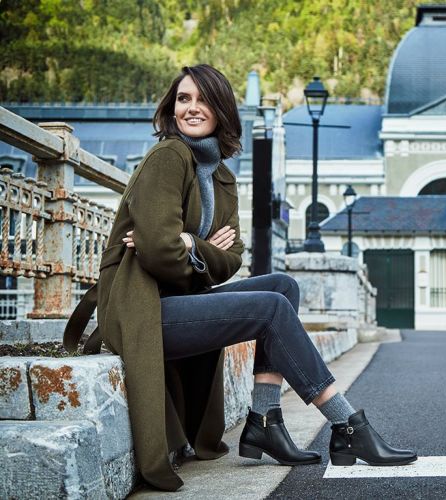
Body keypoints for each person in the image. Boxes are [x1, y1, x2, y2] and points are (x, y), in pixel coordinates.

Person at [64, 64, 416, 492]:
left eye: (203, 99)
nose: (192, 108)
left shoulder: (222, 177)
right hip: (140, 312)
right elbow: (156, 251)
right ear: (172, 108)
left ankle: (264, 420)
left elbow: (231, 258)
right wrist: (193, 247)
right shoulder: (168, 157)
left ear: (222, 110)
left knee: (282, 286)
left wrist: (190, 244)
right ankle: (347, 424)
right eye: (183, 99)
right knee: (270, 308)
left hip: (178, 301)